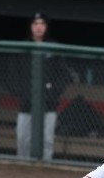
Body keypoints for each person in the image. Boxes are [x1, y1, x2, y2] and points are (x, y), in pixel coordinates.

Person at [15, 11, 71, 160]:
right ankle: (22, 167)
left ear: (46, 27)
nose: (38, 27)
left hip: (49, 105)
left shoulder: (54, 47)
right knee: (22, 139)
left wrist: (51, 94)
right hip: (26, 104)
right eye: (35, 24)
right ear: (30, 26)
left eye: (42, 24)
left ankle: (44, 168)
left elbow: (64, 76)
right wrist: (22, 93)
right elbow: (12, 75)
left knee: (47, 141)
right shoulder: (22, 47)